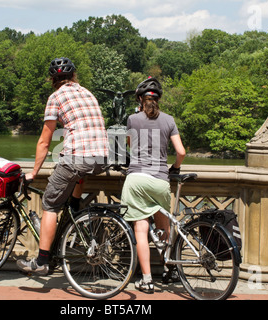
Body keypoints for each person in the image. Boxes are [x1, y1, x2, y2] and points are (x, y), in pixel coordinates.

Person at [17, 57, 109, 275]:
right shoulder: (88, 93)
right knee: (77, 171)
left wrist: (33, 173)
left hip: (79, 157)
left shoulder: (56, 97)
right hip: (103, 157)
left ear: (52, 79)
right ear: (73, 76)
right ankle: (75, 207)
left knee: (50, 203)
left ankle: (41, 261)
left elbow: (44, 141)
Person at [121, 77, 186, 293]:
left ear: (140, 99)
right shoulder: (169, 120)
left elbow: (129, 145)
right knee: (163, 227)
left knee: (141, 228)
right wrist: (175, 168)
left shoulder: (132, 118)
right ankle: (169, 269)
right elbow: (181, 152)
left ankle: (147, 279)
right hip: (160, 179)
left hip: (137, 179)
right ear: (158, 99)